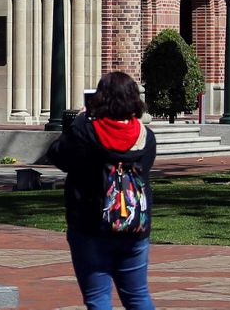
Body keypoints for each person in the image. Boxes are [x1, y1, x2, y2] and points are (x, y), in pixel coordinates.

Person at [47, 71, 157, 310]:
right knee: (138, 296)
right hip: (134, 225)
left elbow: (57, 155)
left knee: (98, 299)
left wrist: (79, 120)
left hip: (90, 226)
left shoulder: (85, 132)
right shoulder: (146, 137)